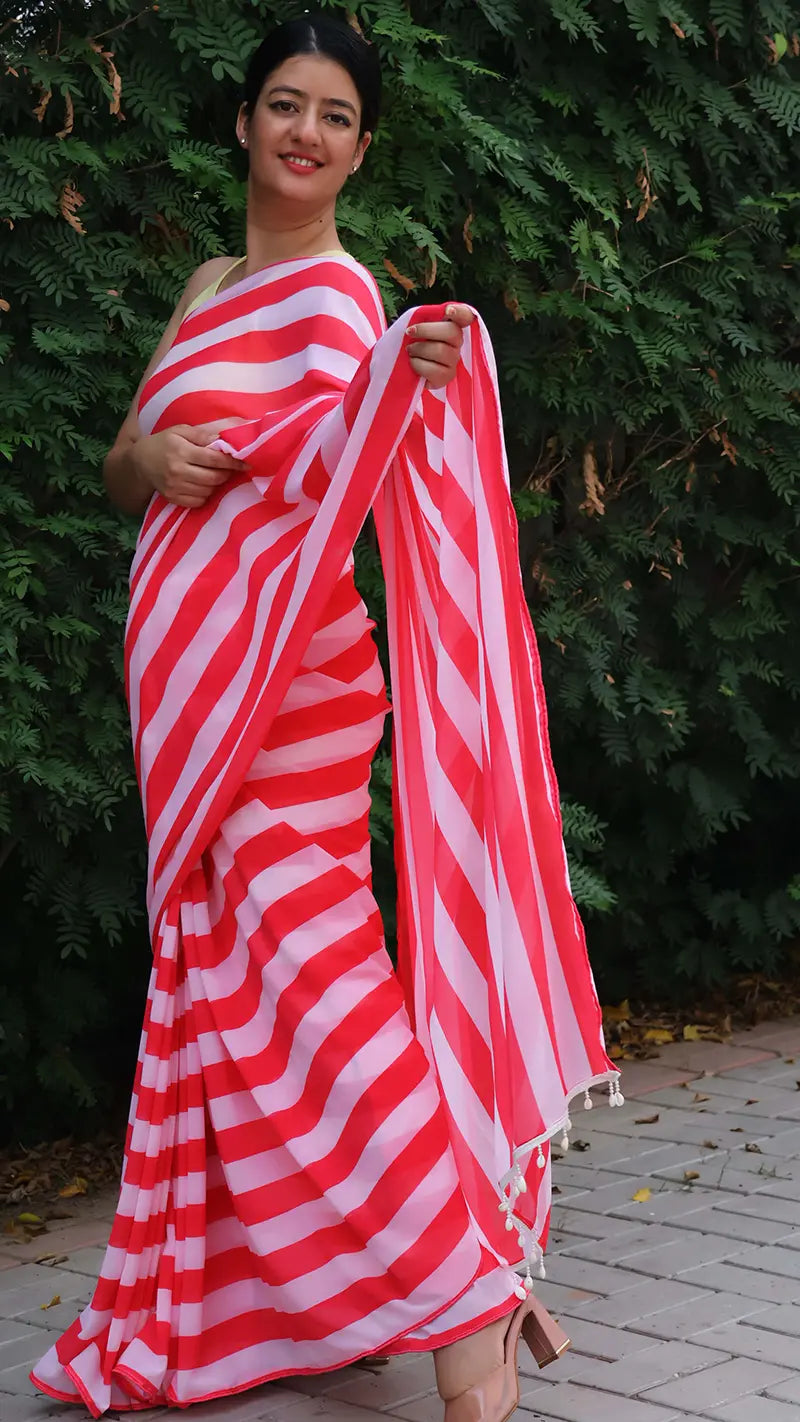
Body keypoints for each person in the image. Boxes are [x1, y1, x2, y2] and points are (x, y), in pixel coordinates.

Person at [32, 14, 620, 1420]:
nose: (305, 132)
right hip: (183, 692)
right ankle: (333, 1289)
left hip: (287, 693)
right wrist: (149, 454)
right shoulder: (207, 280)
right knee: (234, 986)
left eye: (335, 117)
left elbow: (345, 464)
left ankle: (469, 1319)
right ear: (241, 125)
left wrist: (418, 377)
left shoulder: (348, 300)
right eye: (284, 106)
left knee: (318, 987)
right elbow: (129, 465)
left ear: (360, 150)